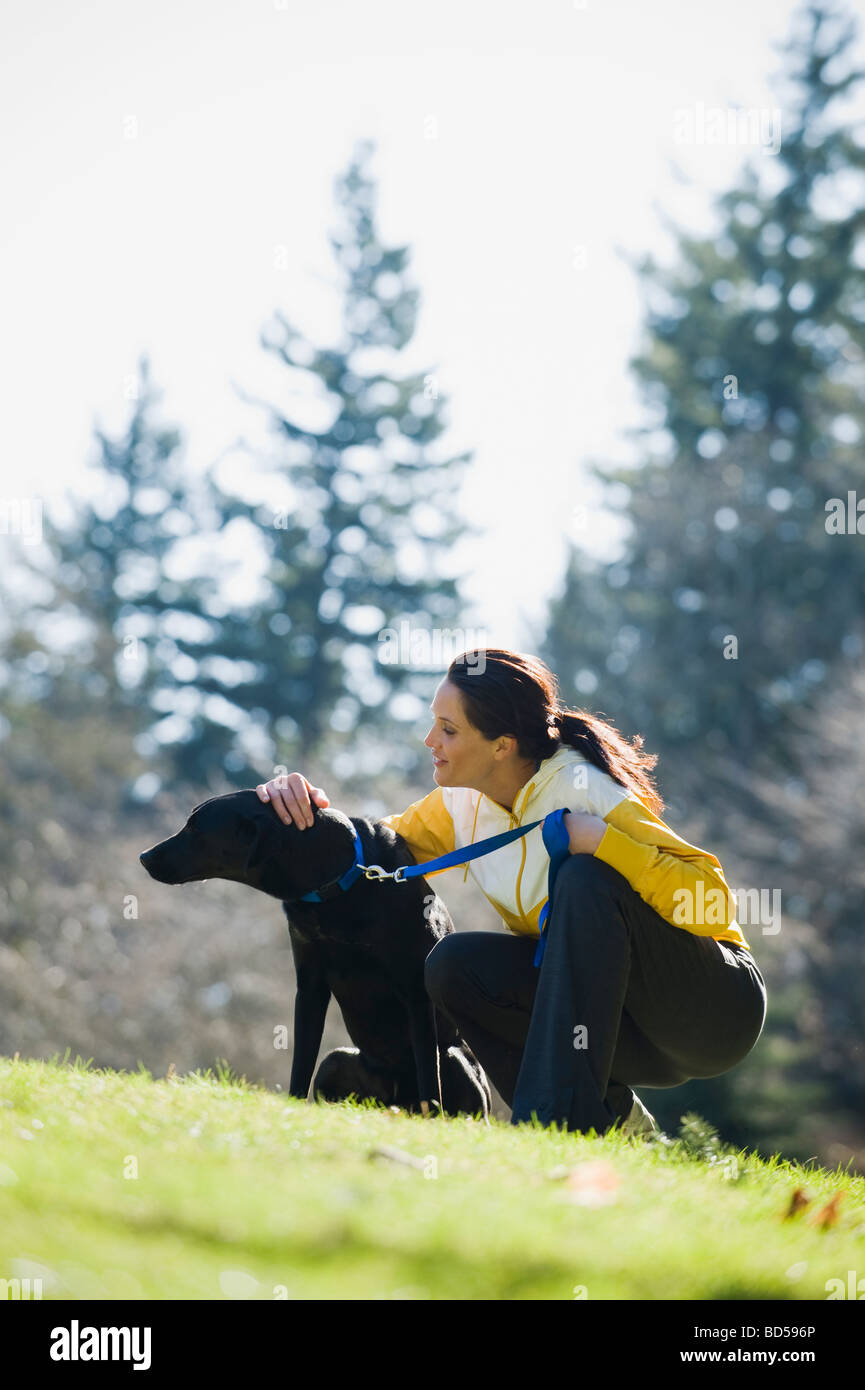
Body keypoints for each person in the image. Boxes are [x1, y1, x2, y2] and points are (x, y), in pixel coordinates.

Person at [256, 647, 767, 1138]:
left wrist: (605, 844)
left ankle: (549, 1124)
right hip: (620, 1030)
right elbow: (373, 853)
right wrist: (304, 811)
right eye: (434, 721)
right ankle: (611, 1121)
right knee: (453, 965)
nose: (429, 739)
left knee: (584, 877)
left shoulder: (585, 788)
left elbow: (715, 901)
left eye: (448, 729)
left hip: (712, 1009)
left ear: (501, 745)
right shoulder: (458, 803)